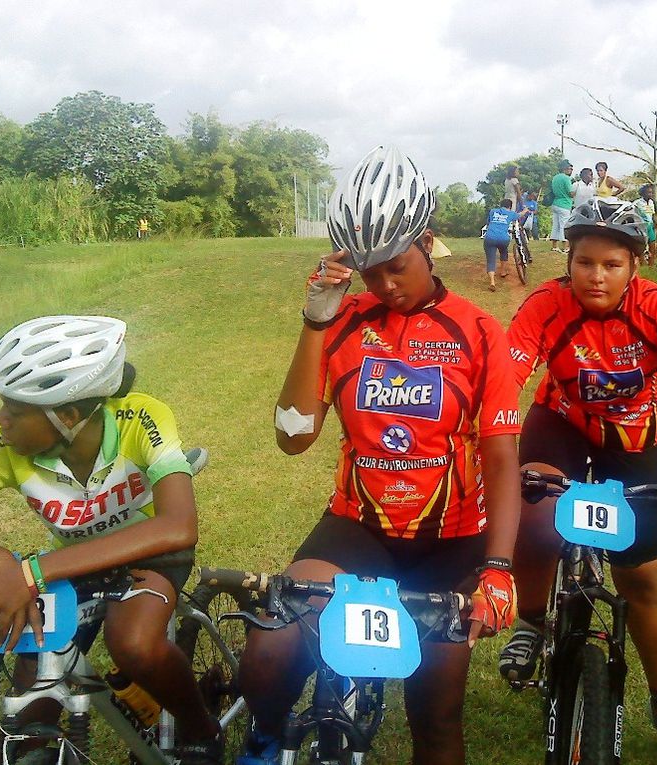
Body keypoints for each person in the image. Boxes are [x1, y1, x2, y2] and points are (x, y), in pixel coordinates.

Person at [237, 146, 521, 765]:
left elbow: (501, 458)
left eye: (397, 266)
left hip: (453, 543)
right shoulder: (343, 323)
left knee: (437, 714)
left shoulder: (476, 331)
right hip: (358, 530)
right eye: (370, 273)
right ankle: (265, 737)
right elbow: (293, 437)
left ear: (427, 239)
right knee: (271, 650)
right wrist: (315, 324)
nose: (385, 286)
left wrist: (498, 567)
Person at [500, 198, 657, 765]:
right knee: (535, 507)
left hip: (633, 439)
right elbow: (505, 380)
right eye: (584, 261)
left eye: (612, 264)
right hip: (560, 421)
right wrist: (483, 453)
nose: (596, 276)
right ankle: (533, 620)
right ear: (569, 260)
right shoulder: (545, 305)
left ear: (636, 264)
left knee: (643, 582)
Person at [0, 316, 222, 764]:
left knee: (132, 643)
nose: (0, 419)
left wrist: (30, 571)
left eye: (15, 409)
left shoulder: (142, 416)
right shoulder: (2, 444)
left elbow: (177, 526)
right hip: (75, 561)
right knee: (35, 694)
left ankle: (200, 728)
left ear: (68, 415)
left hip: (153, 549)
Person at [483, 199, 522, 290]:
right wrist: (526, 210)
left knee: (491, 260)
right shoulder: (511, 213)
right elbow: (520, 215)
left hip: (490, 237)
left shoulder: (493, 211)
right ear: (510, 206)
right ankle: (503, 271)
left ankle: (492, 282)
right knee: (504, 251)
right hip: (503, 238)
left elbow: (488, 223)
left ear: (501, 205)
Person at [549, 159, 575, 253]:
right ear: (564, 169)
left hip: (555, 203)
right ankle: (565, 247)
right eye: (569, 168)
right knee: (564, 226)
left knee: (555, 225)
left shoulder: (555, 178)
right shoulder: (566, 178)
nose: (571, 171)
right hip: (564, 204)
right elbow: (571, 193)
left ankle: (554, 246)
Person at [633, 184, 657, 266]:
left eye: (651, 192)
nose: (650, 194)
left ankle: (651, 266)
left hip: (650, 226)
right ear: (643, 193)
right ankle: (642, 265)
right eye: (648, 192)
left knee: (653, 247)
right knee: (642, 247)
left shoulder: (652, 203)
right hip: (641, 226)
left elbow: (653, 216)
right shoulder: (637, 203)